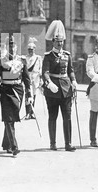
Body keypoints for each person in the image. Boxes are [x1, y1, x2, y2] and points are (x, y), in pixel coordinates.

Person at [0, 35, 33, 156]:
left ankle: (6, 143)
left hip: (18, 91)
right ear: (6, 47)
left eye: (13, 46)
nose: (12, 48)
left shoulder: (22, 60)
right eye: (9, 46)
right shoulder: (0, 61)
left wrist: (29, 95)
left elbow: (27, 79)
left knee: (12, 118)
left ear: (16, 47)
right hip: (5, 90)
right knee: (8, 118)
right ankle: (14, 146)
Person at [42, 20, 77, 152]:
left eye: (61, 42)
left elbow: (71, 70)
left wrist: (73, 80)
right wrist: (49, 83)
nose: (60, 44)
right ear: (53, 42)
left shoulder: (67, 55)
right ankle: (53, 143)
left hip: (66, 89)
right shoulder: (48, 56)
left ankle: (68, 143)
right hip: (53, 90)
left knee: (67, 116)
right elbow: (45, 72)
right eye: (58, 42)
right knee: (53, 116)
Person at [24, 38, 42, 120]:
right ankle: (27, 113)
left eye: (32, 49)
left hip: (35, 77)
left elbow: (40, 69)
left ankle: (32, 112)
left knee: (34, 95)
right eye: (29, 49)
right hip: (27, 77)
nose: (30, 51)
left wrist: (41, 79)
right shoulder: (25, 58)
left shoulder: (38, 58)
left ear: (34, 49)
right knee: (28, 94)